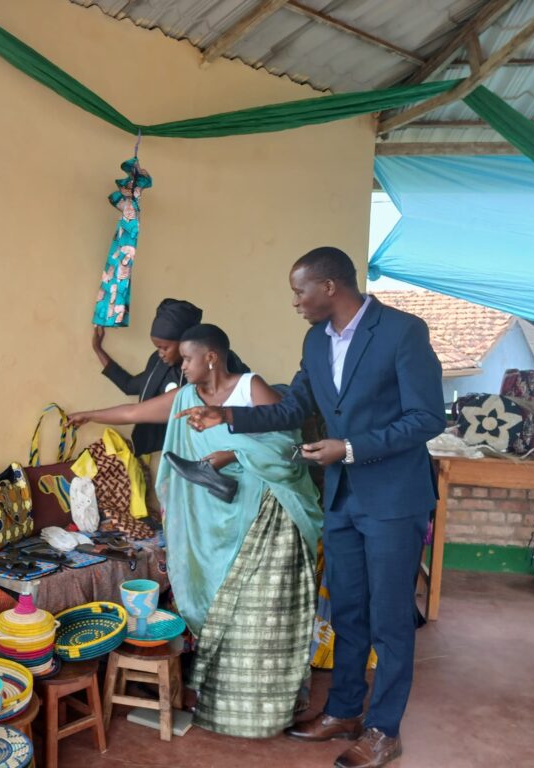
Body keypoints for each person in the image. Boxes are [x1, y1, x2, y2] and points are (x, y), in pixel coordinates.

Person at [179, 247, 444, 768]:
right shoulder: (316, 340)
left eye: (299, 291)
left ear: (329, 287)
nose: (295, 301)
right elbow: (295, 407)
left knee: (390, 618)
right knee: (347, 609)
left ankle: (383, 730)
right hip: (342, 498)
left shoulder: (401, 332)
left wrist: (350, 448)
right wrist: (228, 416)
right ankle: (343, 710)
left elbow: (426, 417)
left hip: (393, 499)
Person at [71, 323, 323, 738]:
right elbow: (135, 412)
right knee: (221, 611)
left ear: (211, 357)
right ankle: (223, 706)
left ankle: (266, 710)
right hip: (209, 520)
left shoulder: (251, 388)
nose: (180, 366)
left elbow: (289, 445)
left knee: (259, 615)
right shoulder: (186, 398)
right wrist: (88, 415)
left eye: (186, 358)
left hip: (262, 515)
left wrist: (233, 453)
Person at [92, 298, 250, 457]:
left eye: (164, 347)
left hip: (198, 455)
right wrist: (98, 349)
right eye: (157, 347)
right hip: (156, 453)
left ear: (184, 342)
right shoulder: (158, 363)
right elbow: (129, 385)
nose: (160, 353)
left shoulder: (214, 369)